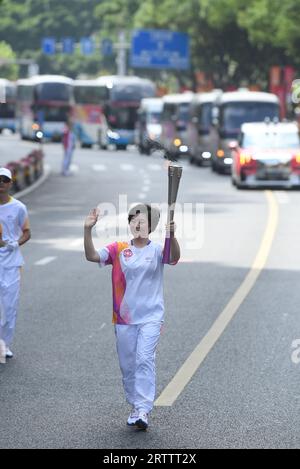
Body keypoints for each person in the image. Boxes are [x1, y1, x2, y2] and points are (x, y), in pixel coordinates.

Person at [84, 203, 180, 430]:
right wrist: (87, 230)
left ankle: (144, 409)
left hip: (151, 317)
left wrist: (172, 236)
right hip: (125, 319)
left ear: (152, 226)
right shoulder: (118, 248)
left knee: (144, 359)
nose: (137, 223)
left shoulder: (157, 250)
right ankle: (136, 406)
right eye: (134, 219)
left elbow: (173, 257)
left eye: (143, 220)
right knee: (128, 366)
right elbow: (92, 256)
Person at [0, 167, 31, 363]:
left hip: (11, 261)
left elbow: (27, 232)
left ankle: (4, 343)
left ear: (10, 183)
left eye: (5, 180)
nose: (1, 183)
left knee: (9, 306)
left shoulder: (18, 207)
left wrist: (15, 244)